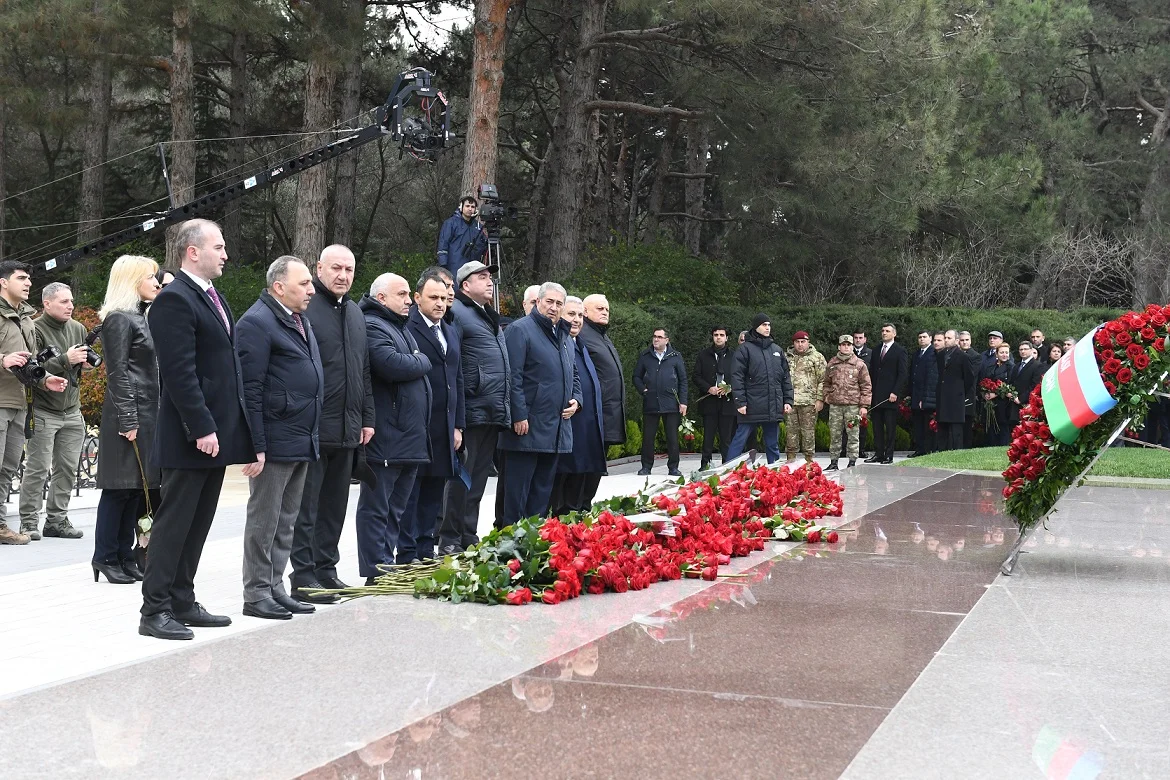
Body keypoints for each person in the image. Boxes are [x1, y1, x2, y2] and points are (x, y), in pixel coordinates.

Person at [141, 218, 254, 640]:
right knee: (174, 524)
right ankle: (154, 610)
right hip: (191, 436)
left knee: (198, 523)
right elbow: (179, 373)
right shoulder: (174, 299)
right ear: (193, 251)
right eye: (218, 247)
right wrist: (202, 426)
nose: (225, 254)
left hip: (213, 436)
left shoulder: (209, 295)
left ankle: (182, 600)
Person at [236, 256, 323, 620]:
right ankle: (256, 593)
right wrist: (255, 445)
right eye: (303, 283)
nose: (311, 290)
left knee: (286, 519)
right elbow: (249, 390)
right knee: (265, 518)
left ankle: (275, 587)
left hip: (300, 435)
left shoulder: (297, 319)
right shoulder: (257, 323)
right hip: (274, 438)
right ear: (278, 287)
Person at [289, 245, 374, 603]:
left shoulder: (355, 312)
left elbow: (363, 370)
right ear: (319, 268)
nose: (343, 275)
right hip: (314, 428)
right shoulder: (308, 310)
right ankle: (304, 576)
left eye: (350, 269)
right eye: (336, 268)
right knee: (307, 508)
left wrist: (367, 418)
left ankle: (327, 569)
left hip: (348, 428)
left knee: (335, 506)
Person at [355, 274, 432, 583]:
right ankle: (377, 569)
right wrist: (420, 360)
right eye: (401, 294)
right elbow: (391, 364)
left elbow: (408, 361)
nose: (409, 300)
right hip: (387, 435)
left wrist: (414, 358)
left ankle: (387, 564)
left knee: (396, 508)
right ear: (381, 298)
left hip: (407, 437)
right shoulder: (372, 324)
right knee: (378, 507)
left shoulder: (399, 327)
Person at [92, 256, 161, 584]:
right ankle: (105, 555)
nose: (157, 283)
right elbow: (118, 373)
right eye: (151, 277)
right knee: (118, 488)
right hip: (128, 414)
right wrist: (129, 418)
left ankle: (123, 553)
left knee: (135, 489)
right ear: (133, 280)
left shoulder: (140, 316)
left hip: (145, 413)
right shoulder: (119, 319)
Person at [497, 282, 581, 525]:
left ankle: (533, 544)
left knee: (541, 495)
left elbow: (573, 374)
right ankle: (508, 547)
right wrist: (518, 414)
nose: (554, 308)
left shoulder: (563, 335)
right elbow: (512, 375)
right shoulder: (519, 330)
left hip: (555, 429)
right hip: (526, 429)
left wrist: (578, 400)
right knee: (516, 496)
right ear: (538, 302)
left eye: (558, 303)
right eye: (549, 302)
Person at [441, 260, 508, 555]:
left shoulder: (488, 316)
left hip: (491, 411)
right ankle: (449, 537)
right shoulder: (457, 313)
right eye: (482, 277)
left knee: (478, 481)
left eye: (490, 277)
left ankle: (468, 533)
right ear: (465, 285)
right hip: (471, 410)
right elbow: (451, 364)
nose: (489, 281)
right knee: (460, 479)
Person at [19, 282, 94, 540]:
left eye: (71, 301)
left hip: (72, 410)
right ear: (47, 304)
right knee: (37, 468)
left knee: (67, 467)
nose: (70, 306)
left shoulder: (78, 328)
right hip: (43, 409)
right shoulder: (34, 328)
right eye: (63, 302)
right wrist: (66, 360)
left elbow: (80, 365)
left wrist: (85, 364)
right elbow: (33, 368)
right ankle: (29, 523)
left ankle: (57, 521)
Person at [0, 261, 68, 545]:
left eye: (29, 278)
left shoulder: (27, 318)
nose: (28, 283)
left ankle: (1, 524)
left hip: (20, 402)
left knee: (7, 467)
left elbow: (31, 363)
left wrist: (46, 379)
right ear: (4, 282)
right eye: (21, 278)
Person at [400, 269, 464, 563]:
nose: (440, 303)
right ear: (417, 298)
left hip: (444, 425)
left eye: (443, 298)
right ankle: (408, 551)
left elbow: (457, 379)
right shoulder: (407, 328)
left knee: (434, 490)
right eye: (433, 297)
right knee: (412, 492)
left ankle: (426, 549)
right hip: (417, 424)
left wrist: (458, 425)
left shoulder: (450, 331)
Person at [549, 297, 606, 515]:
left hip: (585, 426)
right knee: (562, 484)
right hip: (567, 426)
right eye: (571, 314)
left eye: (580, 315)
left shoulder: (578, 344)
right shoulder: (559, 343)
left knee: (578, 481)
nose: (577, 320)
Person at [726, 313, 793, 464]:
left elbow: (785, 377)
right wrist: (740, 402)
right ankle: (727, 470)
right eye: (764, 325)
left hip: (772, 405)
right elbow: (737, 377)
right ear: (756, 327)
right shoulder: (744, 350)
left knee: (772, 444)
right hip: (751, 405)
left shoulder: (777, 349)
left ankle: (774, 473)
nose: (767, 328)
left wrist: (788, 400)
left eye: (769, 325)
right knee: (739, 440)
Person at [634, 327, 688, 476]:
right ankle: (646, 467)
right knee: (648, 438)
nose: (656, 339)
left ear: (666, 340)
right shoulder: (645, 356)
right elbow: (636, 377)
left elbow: (683, 380)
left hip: (671, 402)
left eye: (659, 337)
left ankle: (673, 467)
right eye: (654, 336)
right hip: (651, 402)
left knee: (672, 437)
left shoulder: (675, 356)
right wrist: (643, 390)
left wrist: (683, 402)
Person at [578, 294, 626, 453]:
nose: (605, 312)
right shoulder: (581, 335)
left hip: (607, 412)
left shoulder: (602, 335)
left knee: (597, 469)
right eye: (600, 308)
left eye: (607, 309)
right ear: (584, 311)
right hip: (592, 414)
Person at [822, 335, 871, 470]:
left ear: (852, 347)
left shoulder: (859, 364)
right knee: (835, 434)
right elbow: (826, 382)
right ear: (839, 346)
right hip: (836, 405)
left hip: (852, 406)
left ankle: (852, 461)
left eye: (848, 345)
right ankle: (833, 462)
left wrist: (864, 406)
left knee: (853, 434)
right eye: (843, 345)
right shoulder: (832, 364)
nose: (846, 347)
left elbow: (866, 386)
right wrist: (826, 396)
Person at [692, 326, 737, 470]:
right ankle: (705, 464)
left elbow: (739, 377)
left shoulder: (734, 356)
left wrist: (729, 388)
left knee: (726, 438)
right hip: (709, 402)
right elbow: (696, 376)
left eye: (721, 335)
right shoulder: (703, 355)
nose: (718, 337)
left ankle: (727, 465)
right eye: (716, 335)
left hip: (727, 403)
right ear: (712, 337)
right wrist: (708, 388)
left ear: (726, 338)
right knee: (708, 437)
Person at [865, 323, 907, 464]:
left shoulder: (900, 351)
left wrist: (895, 391)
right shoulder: (876, 350)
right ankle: (878, 453)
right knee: (877, 427)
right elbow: (872, 373)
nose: (884, 333)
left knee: (889, 428)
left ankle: (888, 455)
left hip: (890, 396)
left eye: (887, 331)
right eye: (882, 330)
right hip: (877, 396)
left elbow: (902, 374)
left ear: (894, 334)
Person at [785, 331, 826, 465]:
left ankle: (809, 461)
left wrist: (820, 399)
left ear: (808, 342)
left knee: (808, 433)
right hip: (791, 402)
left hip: (809, 402)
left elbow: (823, 380)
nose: (800, 345)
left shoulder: (817, 357)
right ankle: (791, 460)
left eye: (803, 342)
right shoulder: (787, 357)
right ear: (793, 343)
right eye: (797, 342)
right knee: (791, 432)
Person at [936, 330, 974, 451]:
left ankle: (956, 451)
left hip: (956, 397)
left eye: (949, 338)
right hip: (943, 396)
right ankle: (942, 452)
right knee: (942, 427)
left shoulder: (963, 357)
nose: (946, 340)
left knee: (956, 428)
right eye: (945, 338)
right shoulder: (941, 355)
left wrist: (960, 391)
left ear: (957, 340)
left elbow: (969, 378)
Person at [436, 195, 487, 274]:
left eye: (472, 207)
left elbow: (483, 247)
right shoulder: (450, 223)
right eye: (467, 206)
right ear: (461, 207)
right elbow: (443, 244)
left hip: (473, 268)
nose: (470, 209)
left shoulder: (478, 226)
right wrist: (443, 266)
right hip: (454, 267)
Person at [908, 330, 939, 457]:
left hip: (926, 396)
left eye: (924, 337)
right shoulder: (916, 354)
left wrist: (923, 397)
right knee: (918, 425)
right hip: (916, 395)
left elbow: (931, 377)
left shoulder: (933, 354)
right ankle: (919, 449)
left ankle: (927, 450)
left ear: (930, 338)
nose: (921, 339)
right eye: (919, 337)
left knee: (927, 425)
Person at [982, 343, 1014, 446]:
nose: (1004, 355)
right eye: (1002, 352)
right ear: (997, 354)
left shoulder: (1011, 367)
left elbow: (1010, 384)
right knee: (991, 425)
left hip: (1004, 402)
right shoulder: (991, 367)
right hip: (991, 402)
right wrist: (985, 393)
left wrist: (995, 393)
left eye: (1006, 352)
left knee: (1003, 426)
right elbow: (985, 380)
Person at [1009, 341, 1044, 424]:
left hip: (1027, 404)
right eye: (1021, 349)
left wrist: (1021, 399)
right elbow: (1012, 382)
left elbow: (1035, 385)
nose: (1023, 351)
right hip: (1013, 403)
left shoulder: (1037, 365)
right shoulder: (1016, 366)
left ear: (1031, 350)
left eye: (1025, 349)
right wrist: (1011, 394)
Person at [957, 331, 981, 448]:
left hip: (968, 394)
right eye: (962, 340)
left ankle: (966, 448)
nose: (965, 342)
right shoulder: (955, 354)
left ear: (970, 341)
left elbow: (971, 375)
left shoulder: (976, 356)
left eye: (967, 340)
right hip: (955, 394)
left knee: (967, 424)